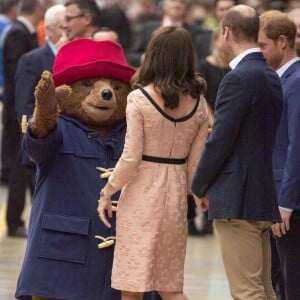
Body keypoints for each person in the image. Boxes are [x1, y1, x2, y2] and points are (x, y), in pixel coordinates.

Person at [98, 26, 208, 300]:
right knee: (171, 289)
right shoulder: (199, 103)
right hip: (175, 199)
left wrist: (108, 190)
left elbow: (131, 157)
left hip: (141, 196)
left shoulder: (139, 98)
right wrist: (200, 195)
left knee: (131, 287)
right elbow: (195, 165)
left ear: (154, 55)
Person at [191, 5, 283, 299]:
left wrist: (199, 184)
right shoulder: (270, 75)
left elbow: (221, 139)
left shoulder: (238, 78)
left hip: (237, 199)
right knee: (264, 289)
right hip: (260, 193)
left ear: (226, 32)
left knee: (247, 292)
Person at [259, 10, 300, 300]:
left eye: (262, 45)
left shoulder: (296, 81)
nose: (258, 52)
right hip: (279, 195)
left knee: (292, 281)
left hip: (290, 201)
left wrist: (284, 203)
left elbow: (296, 145)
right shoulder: (281, 79)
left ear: (282, 41)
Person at [2, 0, 46, 238]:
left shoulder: (20, 33)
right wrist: (22, 118)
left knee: (26, 168)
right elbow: (17, 81)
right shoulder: (18, 35)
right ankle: (14, 220)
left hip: (20, 113)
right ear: (38, 12)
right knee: (19, 169)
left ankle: (26, 218)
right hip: (17, 115)